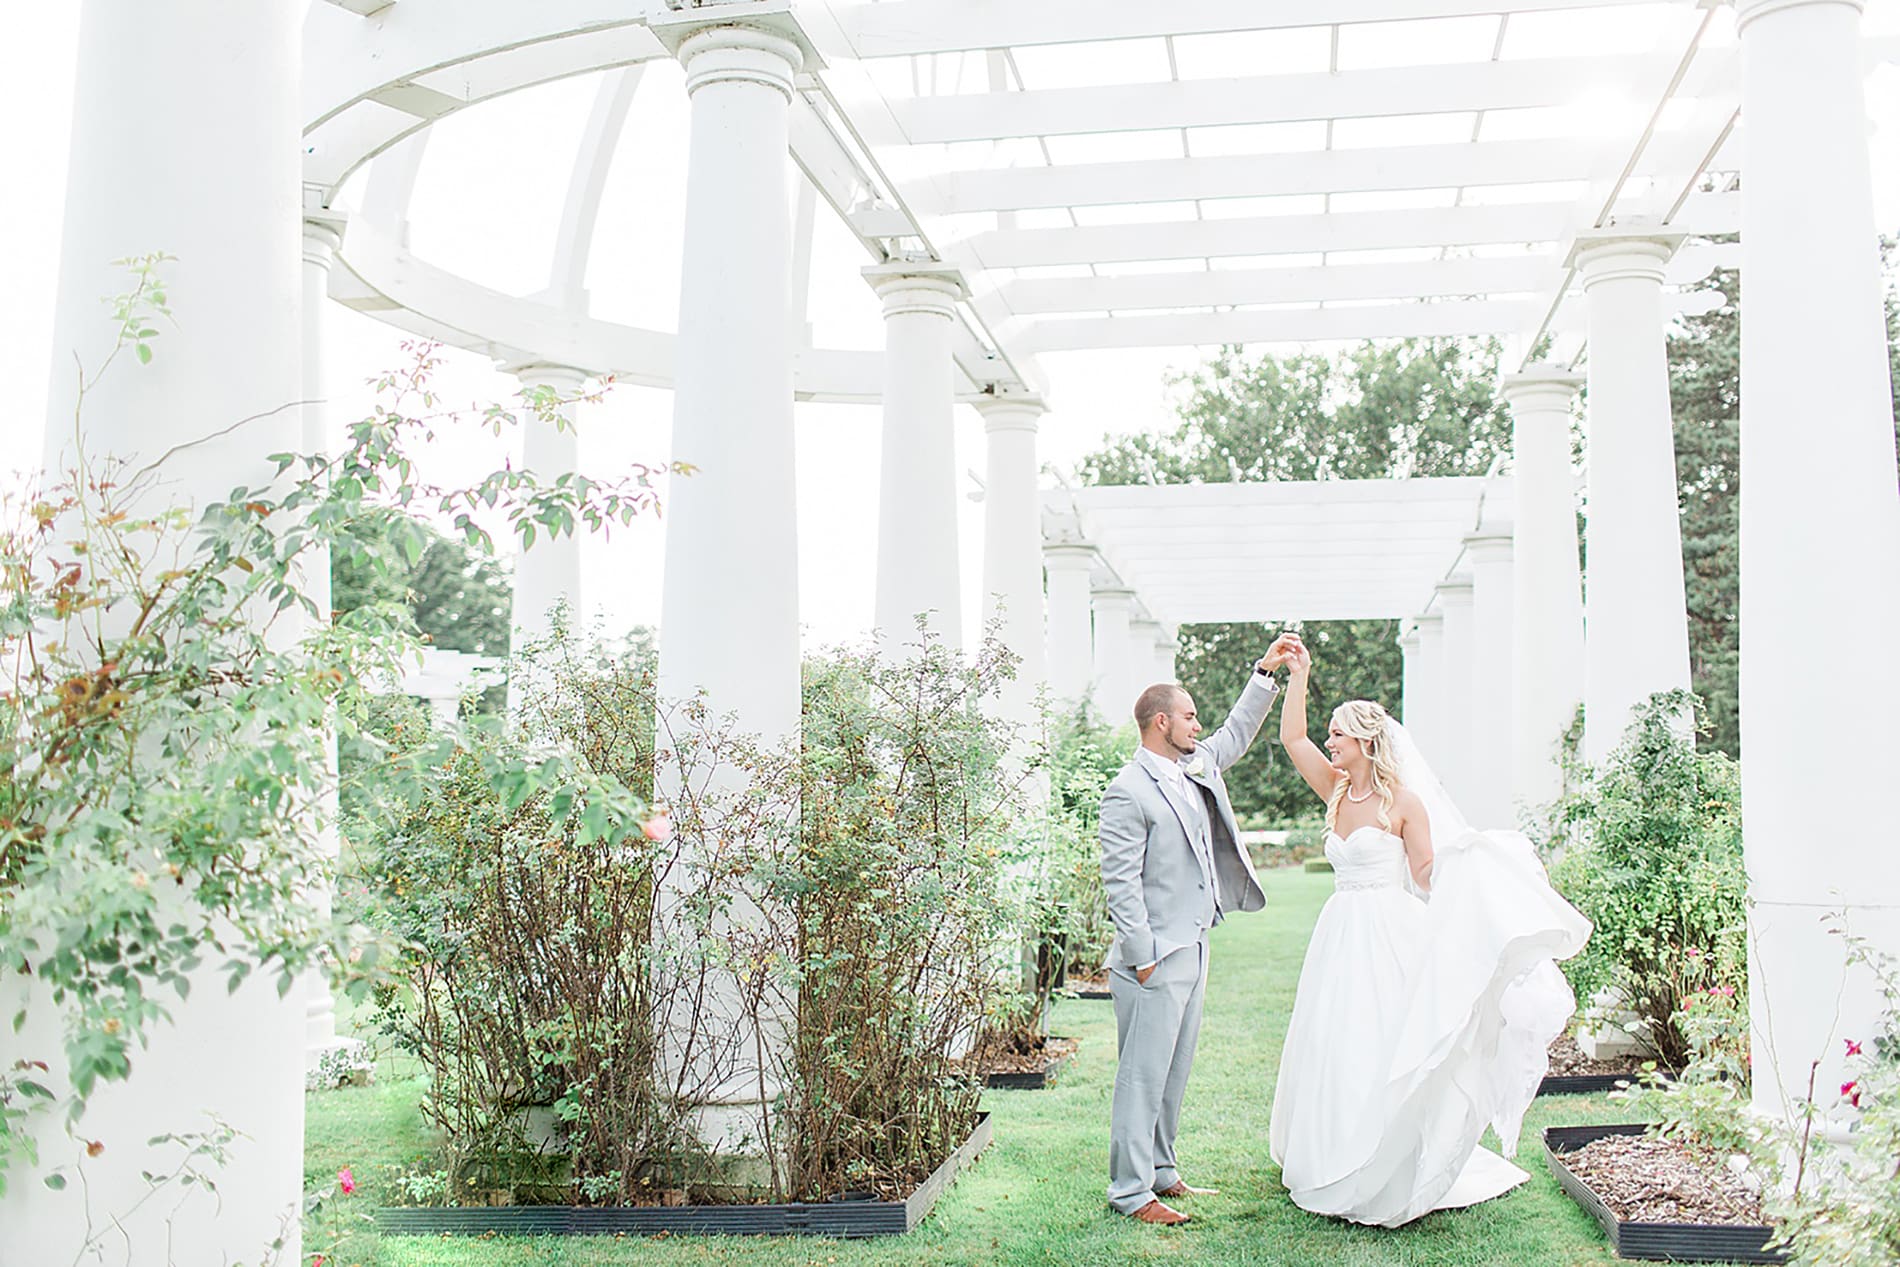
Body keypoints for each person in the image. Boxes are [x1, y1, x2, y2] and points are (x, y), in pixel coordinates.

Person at [1268, 638, 1591, 1227]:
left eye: (1338, 733)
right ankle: (1333, 1149)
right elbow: (1294, 739)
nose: (1330, 741)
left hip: (1390, 932)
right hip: (1340, 933)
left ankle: (1391, 1156)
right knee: (1335, 1038)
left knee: (1385, 1036)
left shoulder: (1405, 802)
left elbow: (1424, 875)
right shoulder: (1335, 791)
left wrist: (1470, 860)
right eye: (1331, 734)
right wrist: (1299, 675)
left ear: (1365, 741)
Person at [1099, 631, 1303, 1226]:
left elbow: (1236, 733)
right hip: (1154, 957)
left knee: (1174, 1069)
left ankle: (1162, 1173)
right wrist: (1143, 956)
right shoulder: (1127, 792)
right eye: (1189, 716)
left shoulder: (1193, 767)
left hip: (1195, 945)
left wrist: (1266, 674)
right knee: (1141, 1076)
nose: (1198, 724)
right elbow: (1121, 885)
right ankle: (1131, 1193)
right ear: (1160, 722)